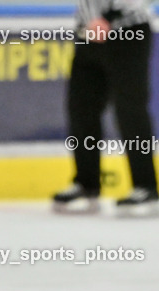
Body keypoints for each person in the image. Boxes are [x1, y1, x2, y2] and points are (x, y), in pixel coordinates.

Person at [53, 0, 158, 216]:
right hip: (88, 33)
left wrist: (108, 18)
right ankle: (87, 184)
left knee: (130, 110)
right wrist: (91, 21)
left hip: (128, 30)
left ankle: (146, 187)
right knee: (81, 108)